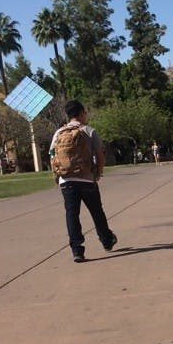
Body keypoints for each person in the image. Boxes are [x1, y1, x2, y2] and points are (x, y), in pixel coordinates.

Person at [50, 99, 117, 263]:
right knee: (96, 211)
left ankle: (77, 250)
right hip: (87, 179)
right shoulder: (89, 131)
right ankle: (106, 240)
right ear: (81, 113)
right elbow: (100, 154)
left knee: (72, 214)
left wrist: (57, 174)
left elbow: (52, 155)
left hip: (66, 180)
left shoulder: (59, 133)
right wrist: (98, 172)